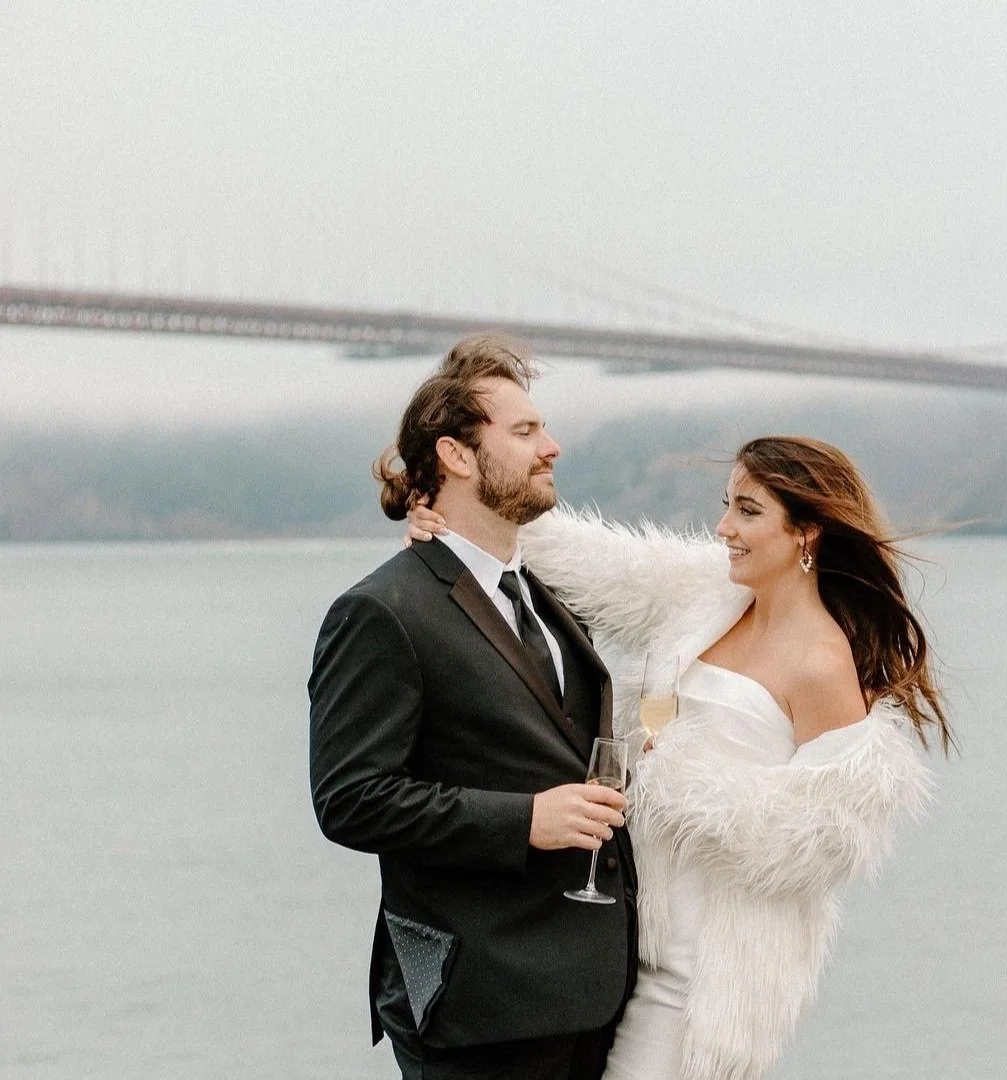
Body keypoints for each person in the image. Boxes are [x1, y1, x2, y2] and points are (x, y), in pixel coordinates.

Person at [408, 434, 946, 1080]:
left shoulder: (822, 663)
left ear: (808, 531)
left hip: (698, 978)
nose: (724, 529)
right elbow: (597, 564)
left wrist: (668, 774)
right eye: (727, 506)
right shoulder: (712, 593)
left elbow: (825, 841)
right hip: (617, 938)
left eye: (748, 511)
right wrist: (459, 516)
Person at [309, 334, 637, 1080]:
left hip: (592, 1000)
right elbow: (351, 800)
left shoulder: (553, 602)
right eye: (523, 432)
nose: (551, 446)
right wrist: (527, 821)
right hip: (478, 1012)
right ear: (456, 455)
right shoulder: (381, 611)